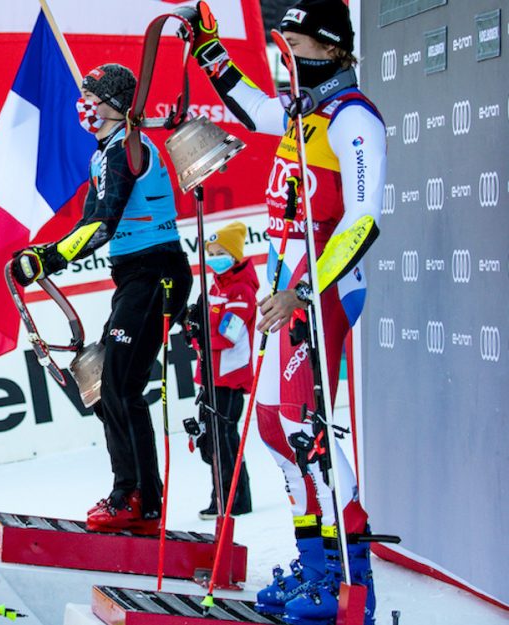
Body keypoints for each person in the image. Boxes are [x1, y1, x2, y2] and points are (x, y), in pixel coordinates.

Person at [178, 1, 385, 623]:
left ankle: (355, 583)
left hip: (323, 290)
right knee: (274, 426)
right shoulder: (302, 114)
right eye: (282, 40)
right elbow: (250, 104)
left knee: (302, 426)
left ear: (329, 47)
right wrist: (207, 45)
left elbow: (363, 218)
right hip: (285, 290)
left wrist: (305, 289)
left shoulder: (354, 118)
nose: (285, 52)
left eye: (295, 40)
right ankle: (315, 566)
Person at [10, 64, 192, 536]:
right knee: (114, 387)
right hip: (136, 274)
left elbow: (102, 225)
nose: (83, 103)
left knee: (119, 387)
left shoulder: (126, 150)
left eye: (90, 95)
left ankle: (133, 497)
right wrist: (44, 254)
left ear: (113, 101)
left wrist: (48, 258)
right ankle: (137, 496)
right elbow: (89, 223)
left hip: (156, 272)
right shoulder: (104, 153)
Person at [184, 221, 256, 520]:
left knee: (222, 436)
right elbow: (202, 328)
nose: (212, 257)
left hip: (229, 377)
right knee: (208, 439)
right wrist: (191, 325)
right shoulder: (215, 285)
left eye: (218, 252)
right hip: (210, 374)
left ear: (234, 254)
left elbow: (228, 336)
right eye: (209, 252)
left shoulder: (241, 291)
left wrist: (201, 336)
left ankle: (229, 499)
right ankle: (229, 496)